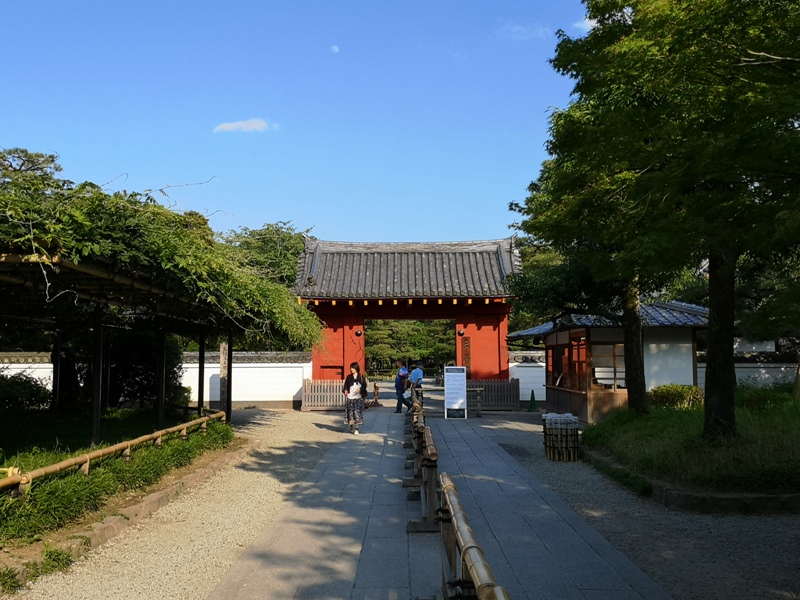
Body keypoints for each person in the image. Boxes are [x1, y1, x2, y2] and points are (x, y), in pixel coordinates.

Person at [343, 362, 367, 435]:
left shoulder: (361, 376)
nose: (351, 369)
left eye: (353, 368)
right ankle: (350, 424)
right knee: (350, 412)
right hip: (350, 396)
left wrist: (360, 389)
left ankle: (356, 428)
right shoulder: (349, 377)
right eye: (351, 368)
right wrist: (345, 390)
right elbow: (346, 386)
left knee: (357, 412)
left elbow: (364, 386)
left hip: (358, 397)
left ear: (356, 368)